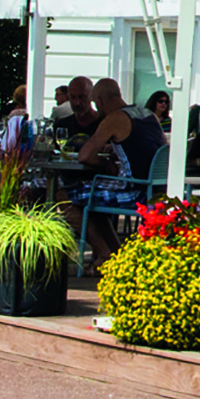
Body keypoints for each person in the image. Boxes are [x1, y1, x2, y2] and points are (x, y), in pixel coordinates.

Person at [72, 79, 167, 269]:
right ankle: (117, 253)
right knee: (93, 200)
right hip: (156, 188)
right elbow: (144, 147)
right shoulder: (147, 114)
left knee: (65, 196)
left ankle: (104, 254)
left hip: (134, 190)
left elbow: (84, 155)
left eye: (95, 103)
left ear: (100, 100)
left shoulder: (115, 118)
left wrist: (105, 162)